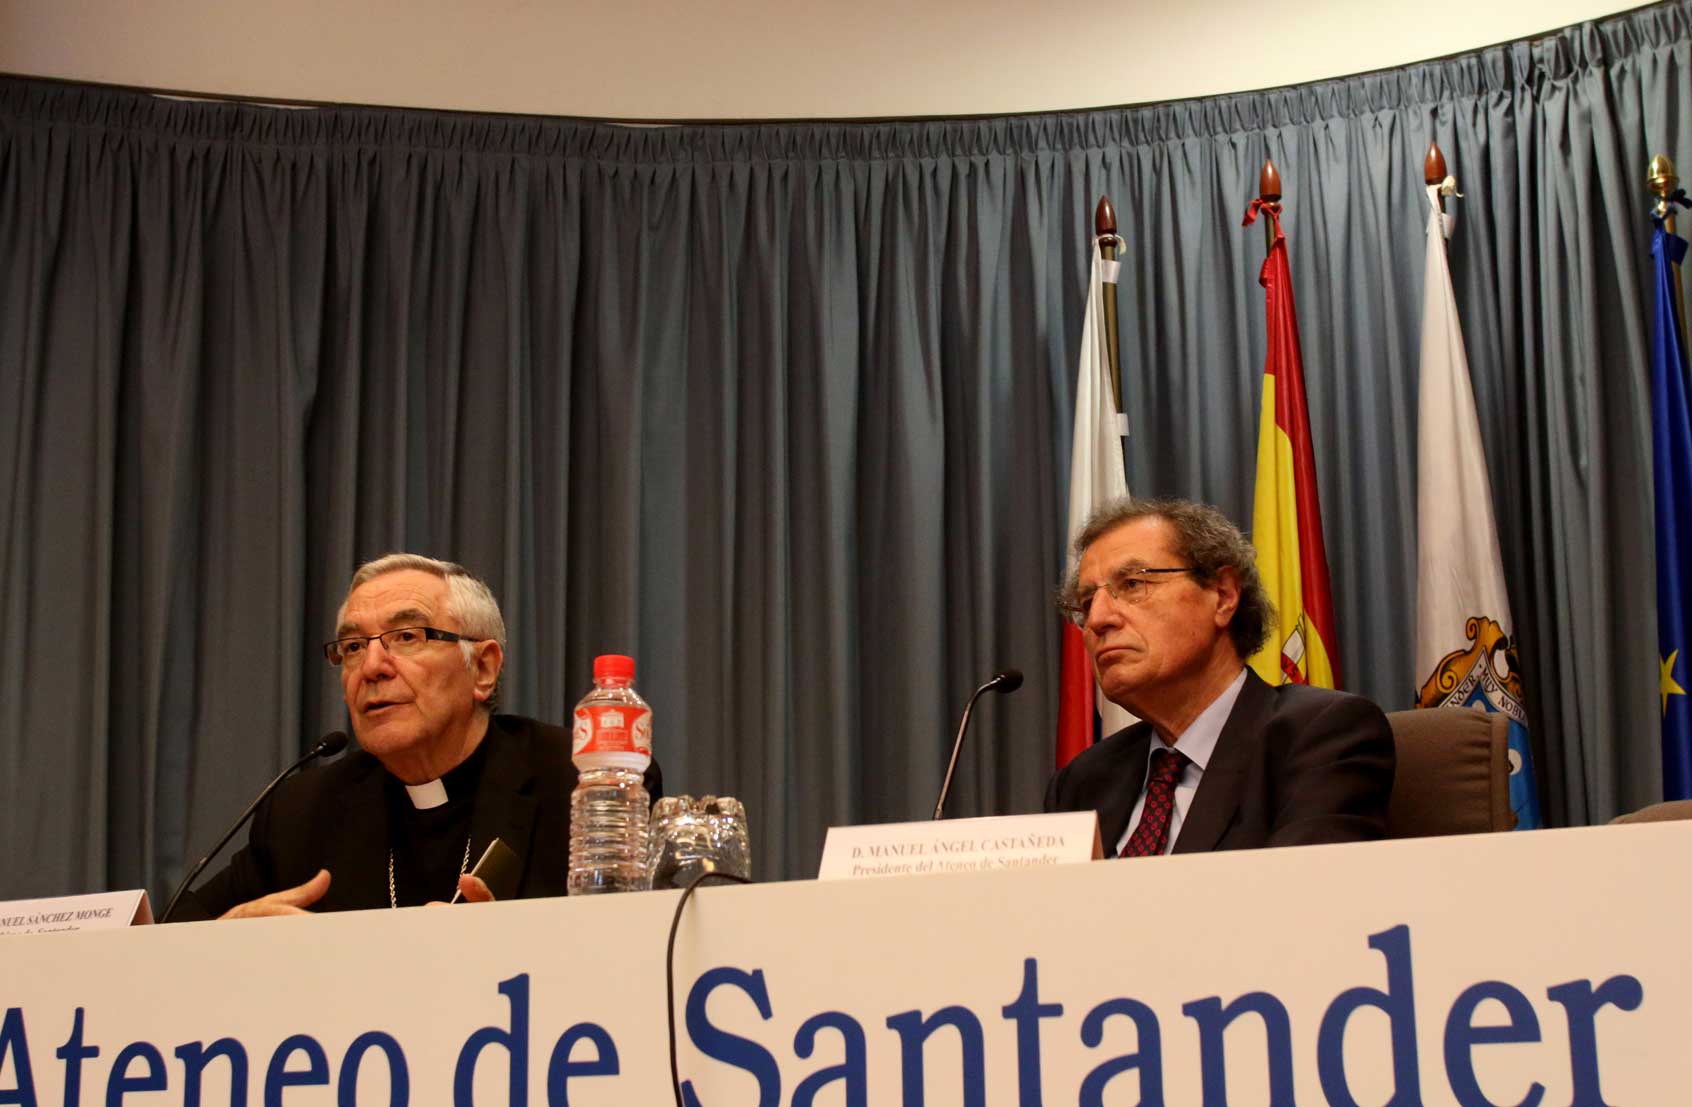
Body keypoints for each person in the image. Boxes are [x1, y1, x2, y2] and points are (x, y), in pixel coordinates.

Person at [172, 553, 661, 918]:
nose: (372, 666)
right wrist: (227, 937)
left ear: (483, 669)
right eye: (352, 646)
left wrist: (513, 948)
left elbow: (634, 948)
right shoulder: (302, 811)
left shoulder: (579, 781)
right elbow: (166, 938)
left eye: (407, 637)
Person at [1044, 497, 1393, 855]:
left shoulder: (1319, 737)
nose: (1098, 619)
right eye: (1087, 603)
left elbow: (1300, 887)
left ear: (1223, 596)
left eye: (1133, 584)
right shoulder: (1082, 782)